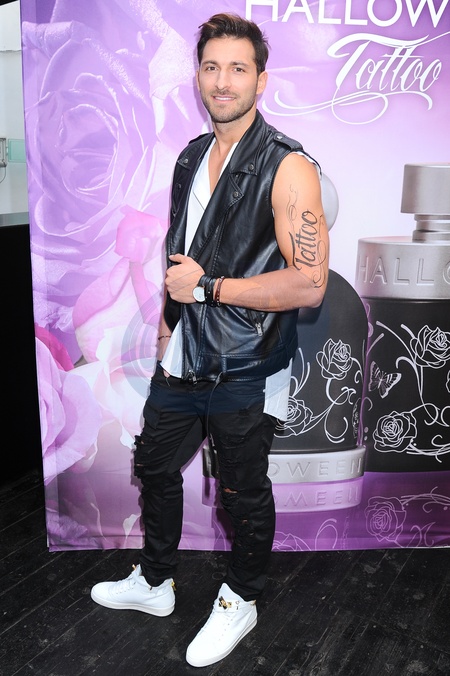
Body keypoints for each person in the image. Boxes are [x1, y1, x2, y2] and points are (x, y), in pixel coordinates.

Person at [91, 12, 329, 668]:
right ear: (197, 75)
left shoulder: (288, 166)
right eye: (211, 67)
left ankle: (241, 599)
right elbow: (182, 254)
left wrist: (209, 289)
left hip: (247, 360)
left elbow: (310, 284)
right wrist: (170, 323)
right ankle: (156, 582)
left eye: (238, 68)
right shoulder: (192, 156)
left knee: (241, 490)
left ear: (261, 79)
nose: (223, 81)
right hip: (185, 353)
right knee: (154, 463)